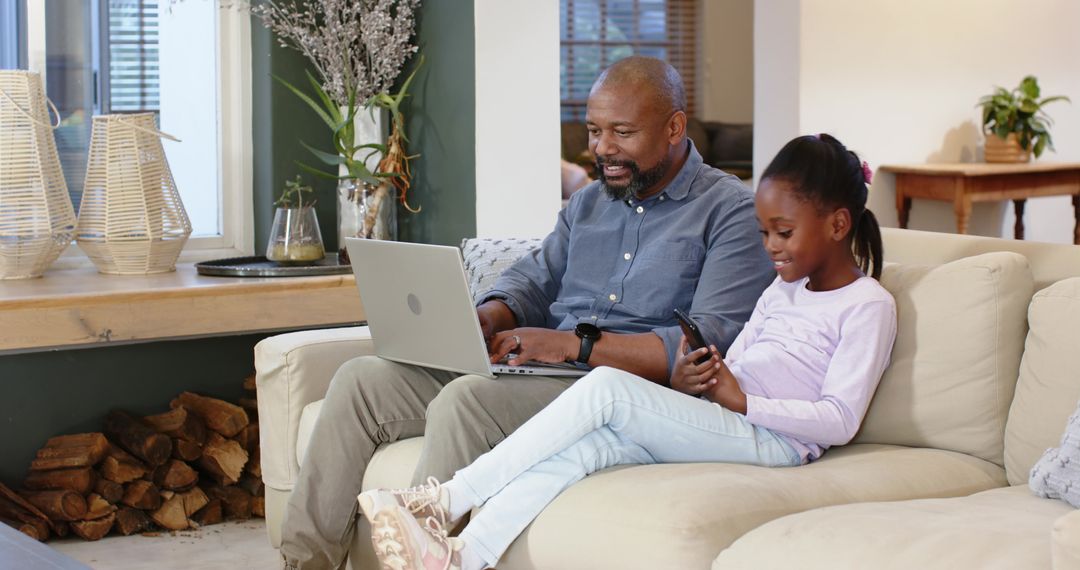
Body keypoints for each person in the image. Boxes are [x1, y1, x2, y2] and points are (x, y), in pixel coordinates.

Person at [279, 56, 775, 569]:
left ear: (674, 126)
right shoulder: (589, 204)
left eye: (622, 132)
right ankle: (302, 563)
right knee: (361, 380)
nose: (602, 148)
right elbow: (533, 277)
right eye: (594, 130)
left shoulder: (731, 211)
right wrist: (491, 314)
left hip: (614, 390)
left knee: (468, 400)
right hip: (543, 370)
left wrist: (573, 345)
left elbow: (708, 341)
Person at [357, 133, 899, 570]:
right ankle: (460, 556)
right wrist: (702, 377)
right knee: (588, 449)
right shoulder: (783, 290)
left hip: (776, 440)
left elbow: (840, 419)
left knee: (607, 388)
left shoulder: (868, 306)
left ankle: (446, 499)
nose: (770, 248)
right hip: (726, 417)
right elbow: (743, 360)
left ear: (837, 224)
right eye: (763, 233)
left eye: (783, 232)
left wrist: (743, 403)